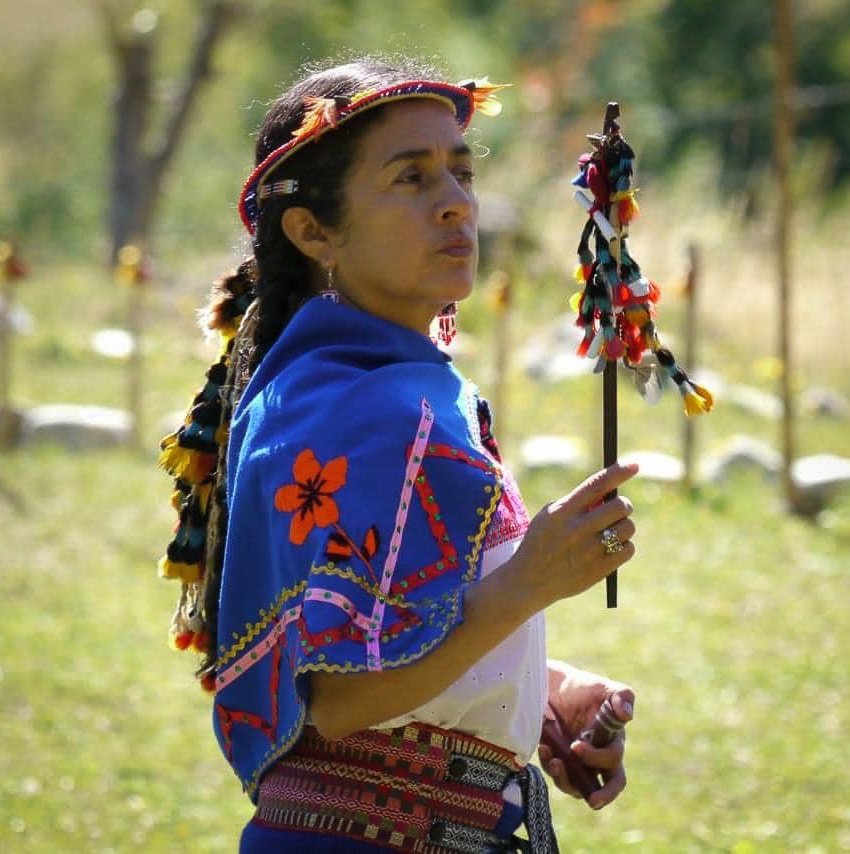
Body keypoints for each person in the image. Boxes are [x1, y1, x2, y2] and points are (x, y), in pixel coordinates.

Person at [158, 56, 638, 853]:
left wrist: (543, 694)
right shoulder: (348, 408)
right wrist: (527, 586)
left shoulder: (389, 391)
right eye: (410, 179)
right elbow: (338, 696)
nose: (456, 205)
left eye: (460, 172)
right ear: (314, 231)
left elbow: (409, 622)